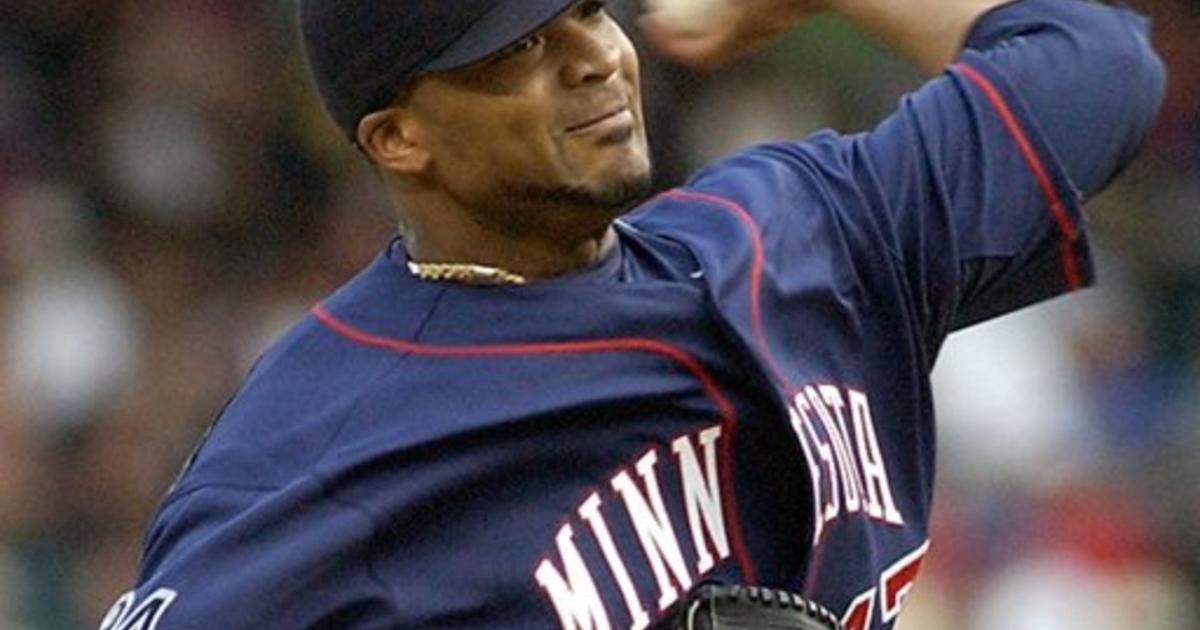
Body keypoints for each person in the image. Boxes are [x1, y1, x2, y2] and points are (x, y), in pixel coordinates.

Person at [100, 0, 1165, 628]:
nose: (596, 56)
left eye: (591, 9)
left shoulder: (802, 233)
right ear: (398, 138)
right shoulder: (320, 450)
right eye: (518, 47)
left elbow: (1096, 60)